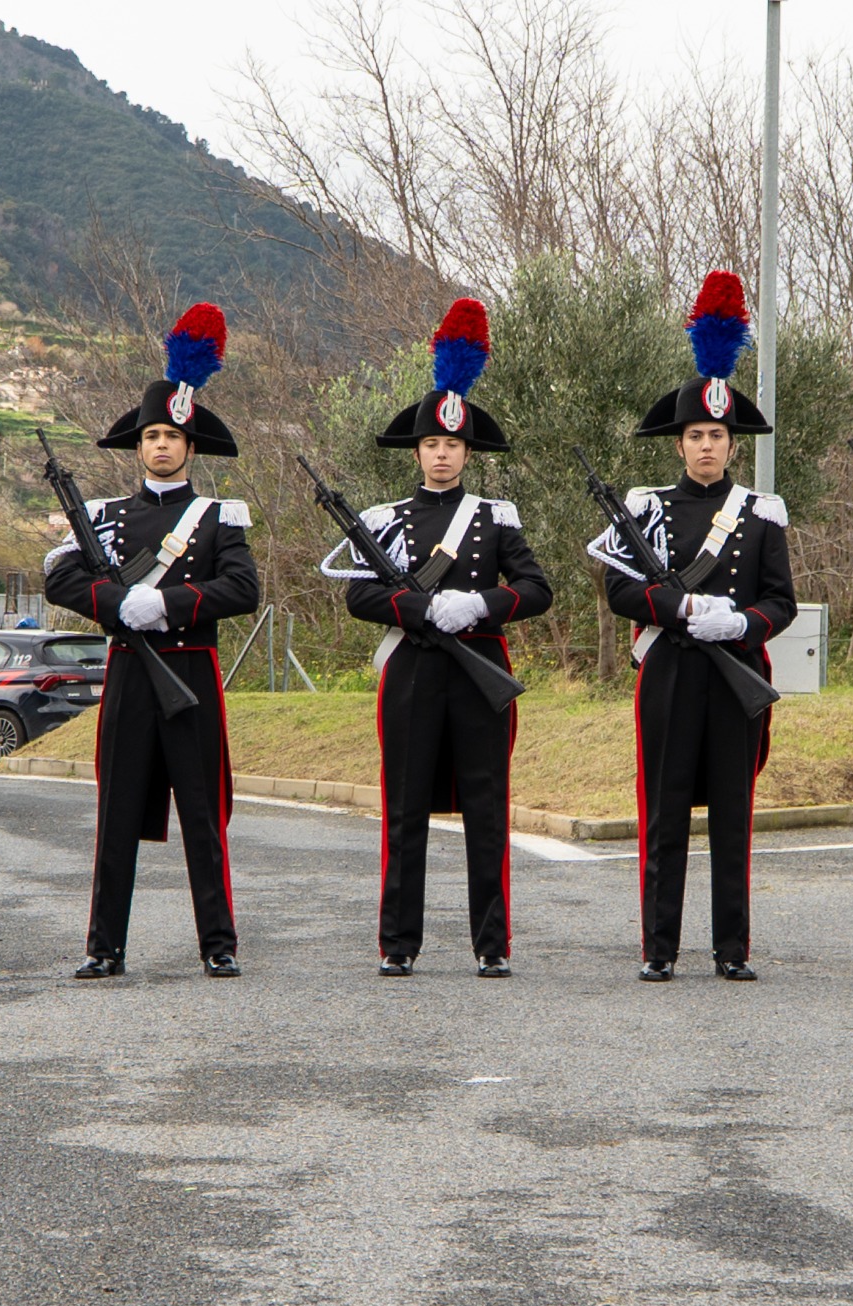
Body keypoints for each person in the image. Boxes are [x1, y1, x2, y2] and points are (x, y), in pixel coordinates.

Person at [321, 299, 553, 978]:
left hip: (480, 665)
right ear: (417, 451)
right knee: (405, 807)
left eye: (453, 445)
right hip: (415, 672)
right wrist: (423, 612)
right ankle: (399, 941)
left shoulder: (495, 517)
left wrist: (476, 604)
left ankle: (492, 943)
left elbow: (537, 589)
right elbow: (359, 593)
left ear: (467, 451)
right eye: (432, 444)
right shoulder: (384, 520)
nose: (443, 454)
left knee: (486, 808)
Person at [589, 271, 795, 983]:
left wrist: (739, 619)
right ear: (678, 443)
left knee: (733, 818)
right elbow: (619, 585)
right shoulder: (643, 507)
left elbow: (782, 601)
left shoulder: (763, 512)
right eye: (695, 434)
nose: (707, 445)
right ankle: (660, 947)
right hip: (672, 672)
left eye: (717, 435)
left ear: (733, 444)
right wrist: (675, 608)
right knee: (665, 810)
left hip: (735, 674)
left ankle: (732, 949)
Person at [45, 303, 257, 979]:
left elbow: (242, 590)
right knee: (116, 811)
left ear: (192, 447)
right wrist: (115, 602)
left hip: (190, 671)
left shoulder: (219, 519)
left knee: (202, 812)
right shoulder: (105, 519)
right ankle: (103, 945)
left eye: (173, 435)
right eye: (152, 434)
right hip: (131, 675)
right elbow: (62, 579)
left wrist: (162, 602)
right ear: (137, 445)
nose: (161, 444)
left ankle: (217, 943)